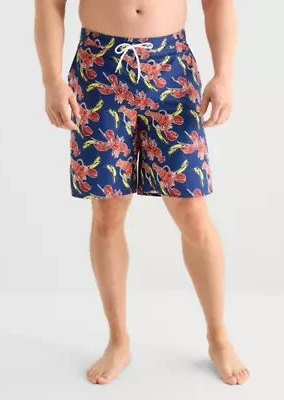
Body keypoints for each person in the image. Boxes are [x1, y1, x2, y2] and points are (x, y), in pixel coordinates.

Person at [34, 0, 249, 386]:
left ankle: (218, 337)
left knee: (192, 211)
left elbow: (218, 4)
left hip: (171, 70)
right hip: (99, 68)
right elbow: (49, 5)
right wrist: (51, 79)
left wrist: (225, 74)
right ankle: (118, 340)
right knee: (107, 213)